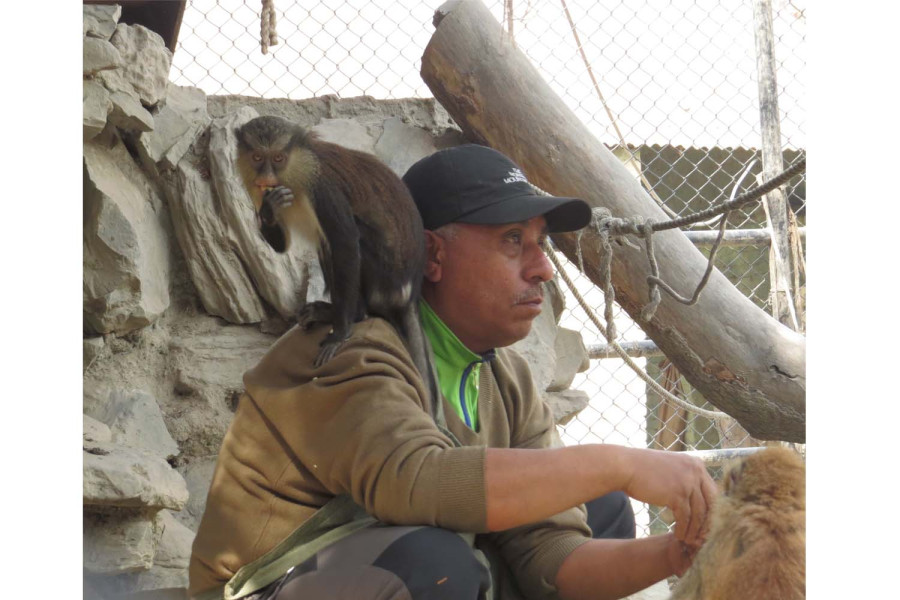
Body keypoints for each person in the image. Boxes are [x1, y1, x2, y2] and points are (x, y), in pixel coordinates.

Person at [188, 144, 717, 600]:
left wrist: (677, 553)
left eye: (541, 242)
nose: (542, 268)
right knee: (432, 562)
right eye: (513, 240)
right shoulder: (349, 351)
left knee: (598, 508)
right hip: (267, 586)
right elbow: (419, 481)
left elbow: (551, 555)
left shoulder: (506, 379)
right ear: (432, 256)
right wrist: (618, 462)